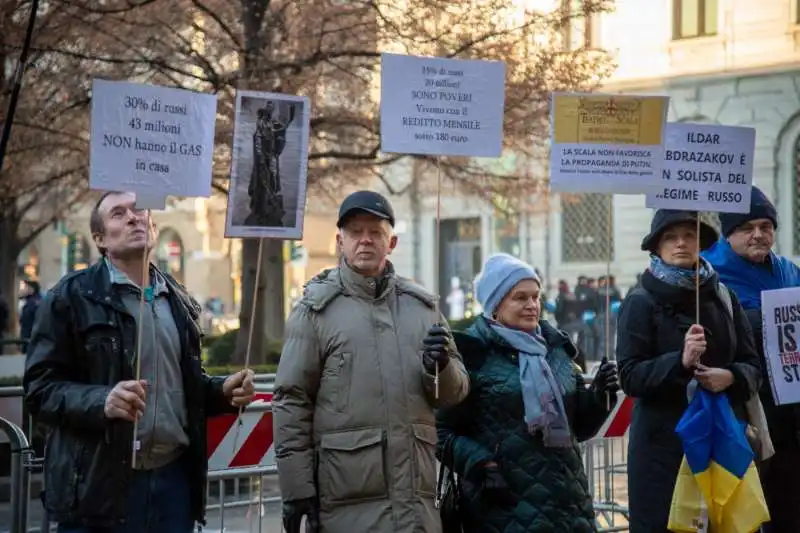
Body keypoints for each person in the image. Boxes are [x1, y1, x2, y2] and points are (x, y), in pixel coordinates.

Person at [23, 191, 256, 533]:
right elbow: (39, 389)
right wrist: (101, 401)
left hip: (173, 482)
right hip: (101, 485)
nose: (134, 217)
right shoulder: (70, 297)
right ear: (100, 239)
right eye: (118, 213)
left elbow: (184, 385)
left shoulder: (177, 300)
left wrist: (221, 390)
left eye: (139, 210)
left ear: (155, 227)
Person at [273, 190, 470, 533]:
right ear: (340, 241)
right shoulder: (314, 311)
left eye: (375, 232)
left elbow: (454, 393)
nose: (365, 240)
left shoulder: (423, 309)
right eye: (355, 232)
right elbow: (291, 401)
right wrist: (297, 490)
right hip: (345, 506)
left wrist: (439, 368)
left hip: (414, 506)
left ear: (390, 242)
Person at [436, 253, 619, 532]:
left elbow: (578, 428)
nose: (532, 305)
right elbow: (441, 433)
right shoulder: (472, 353)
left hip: (568, 504)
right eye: (520, 298)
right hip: (504, 508)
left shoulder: (556, 350)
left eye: (535, 297)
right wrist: (481, 464)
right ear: (495, 305)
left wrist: (598, 395)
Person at [616, 209, 762, 533]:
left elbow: (753, 366)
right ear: (656, 247)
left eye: (689, 234)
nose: (681, 243)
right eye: (670, 236)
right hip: (662, 454)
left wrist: (732, 377)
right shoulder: (639, 302)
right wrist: (679, 361)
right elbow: (630, 376)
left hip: (721, 446)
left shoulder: (725, 297)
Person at [702, 185, 800, 532]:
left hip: (791, 408)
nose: (758, 234)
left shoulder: (787, 270)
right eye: (747, 228)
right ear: (729, 234)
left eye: (766, 226)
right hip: (747, 407)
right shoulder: (710, 276)